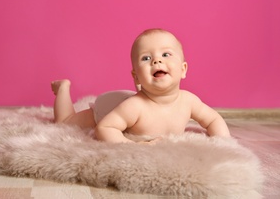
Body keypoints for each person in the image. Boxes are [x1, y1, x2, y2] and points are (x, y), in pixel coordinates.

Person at [51, 28, 230, 144]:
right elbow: (104, 128)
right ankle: (63, 88)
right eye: (146, 58)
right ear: (136, 76)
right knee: (65, 123)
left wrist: (222, 142)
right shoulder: (134, 107)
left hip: (131, 103)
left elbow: (214, 120)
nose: (157, 60)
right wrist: (134, 145)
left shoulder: (189, 101)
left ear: (183, 69)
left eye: (166, 54)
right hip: (110, 107)